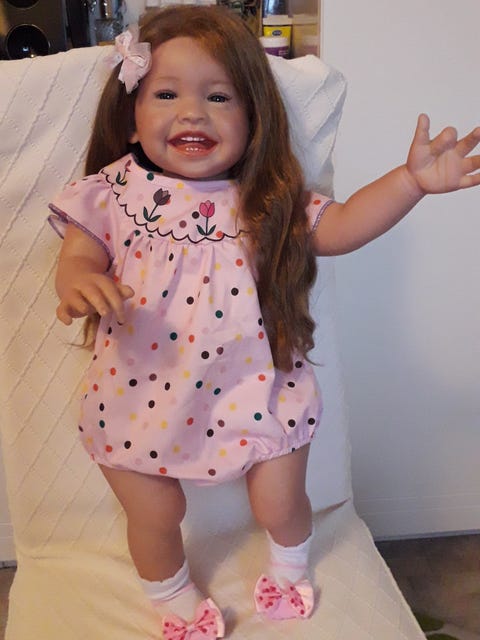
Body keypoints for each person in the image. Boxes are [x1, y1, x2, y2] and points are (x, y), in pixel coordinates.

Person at [49, 5, 480, 638]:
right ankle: (171, 595)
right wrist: (79, 283)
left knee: (280, 502)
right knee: (155, 514)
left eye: (218, 96)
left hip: (257, 387)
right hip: (136, 394)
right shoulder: (110, 193)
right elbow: (77, 256)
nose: (192, 113)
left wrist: (410, 182)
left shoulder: (266, 197)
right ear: (131, 116)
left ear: (253, 119)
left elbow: (341, 227)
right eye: (166, 94)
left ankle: (289, 565)